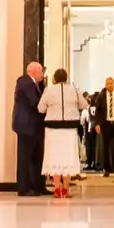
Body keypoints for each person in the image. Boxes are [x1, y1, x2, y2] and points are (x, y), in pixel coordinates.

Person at [37, 68, 83, 198]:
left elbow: (40, 108)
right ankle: (66, 189)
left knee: (54, 157)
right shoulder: (73, 90)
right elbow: (84, 104)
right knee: (68, 157)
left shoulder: (49, 90)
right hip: (70, 128)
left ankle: (57, 188)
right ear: (66, 77)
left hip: (52, 129)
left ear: (55, 78)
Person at [12, 62, 46, 197]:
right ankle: (23, 188)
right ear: (34, 71)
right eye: (41, 71)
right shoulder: (25, 82)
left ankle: (37, 186)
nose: (42, 74)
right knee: (25, 158)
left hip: (33, 127)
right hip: (26, 126)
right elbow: (35, 103)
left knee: (36, 157)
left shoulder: (32, 84)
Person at [92, 78, 114, 176]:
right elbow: (98, 111)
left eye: (111, 83)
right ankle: (107, 169)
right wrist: (97, 124)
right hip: (106, 124)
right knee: (105, 147)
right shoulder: (101, 96)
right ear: (105, 84)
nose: (109, 85)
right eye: (107, 84)